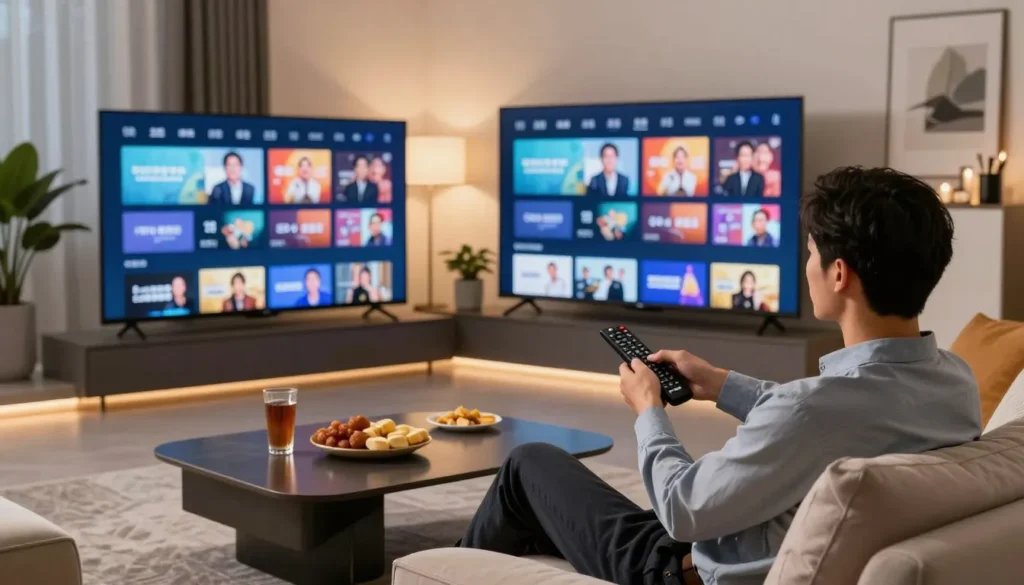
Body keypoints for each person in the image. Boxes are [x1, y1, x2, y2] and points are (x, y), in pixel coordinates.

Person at [458, 166, 980, 585]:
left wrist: (649, 410)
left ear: (839, 273)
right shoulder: (954, 381)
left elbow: (682, 510)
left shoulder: (810, 411)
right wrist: (720, 382)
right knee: (552, 507)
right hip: (754, 536)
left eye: (811, 253)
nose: (808, 264)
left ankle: (439, 571)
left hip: (677, 565)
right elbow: (838, 412)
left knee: (529, 465)